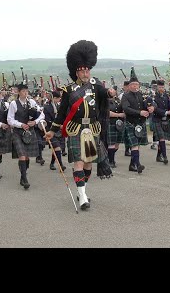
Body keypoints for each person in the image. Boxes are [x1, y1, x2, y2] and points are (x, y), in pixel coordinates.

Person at [44, 40, 116, 210]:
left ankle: (82, 188)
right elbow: (62, 114)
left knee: (89, 164)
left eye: (87, 69)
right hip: (76, 129)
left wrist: (111, 93)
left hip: (92, 129)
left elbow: (105, 93)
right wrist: (52, 131)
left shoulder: (96, 85)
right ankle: (82, 196)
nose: (85, 73)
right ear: (76, 71)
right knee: (78, 162)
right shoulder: (69, 90)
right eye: (82, 70)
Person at [8, 82, 45, 189]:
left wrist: (35, 122)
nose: (25, 93)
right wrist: (21, 124)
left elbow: (42, 115)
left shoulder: (32, 102)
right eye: (23, 91)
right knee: (22, 156)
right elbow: (10, 120)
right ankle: (24, 179)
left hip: (30, 132)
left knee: (27, 157)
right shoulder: (13, 104)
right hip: (18, 133)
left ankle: (22, 176)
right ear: (18, 92)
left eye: (26, 91)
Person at [121, 67, 154, 173]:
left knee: (137, 145)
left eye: (137, 85)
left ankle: (132, 165)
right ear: (129, 86)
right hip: (131, 123)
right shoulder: (125, 96)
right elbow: (126, 109)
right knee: (134, 145)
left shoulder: (141, 95)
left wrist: (152, 107)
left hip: (141, 123)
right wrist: (139, 112)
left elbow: (149, 104)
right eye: (133, 85)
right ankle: (138, 164)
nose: (135, 87)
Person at [150, 80, 170, 165]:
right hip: (157, 120)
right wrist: (166, 112)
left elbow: (169, 106)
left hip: (165, 120)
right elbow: (155, 109)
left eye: (163, 87)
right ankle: (165, 156)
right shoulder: (154, 97)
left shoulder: (166, 96)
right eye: (160, 87)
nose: (161, 89)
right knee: (162, 138)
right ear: (157, 87)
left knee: (162, 138)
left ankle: (158, 156)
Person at [43, 90, 66, 171]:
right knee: (57, 148)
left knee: (57, 149)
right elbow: (47, 120)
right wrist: (57, 126)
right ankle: (61, 165)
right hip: (51, 130)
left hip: (60, 130)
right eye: (57, 98)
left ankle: (52, 163)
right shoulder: (46, 107)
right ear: (54, 98)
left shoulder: (60, 107)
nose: (59, 100)